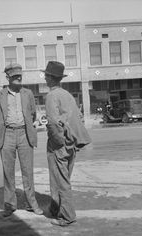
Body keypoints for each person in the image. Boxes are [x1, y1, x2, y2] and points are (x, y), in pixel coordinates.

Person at [42, 61, 91, 226]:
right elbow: (78, 118)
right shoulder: (67, 94)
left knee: (61, 182)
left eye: (46, 75)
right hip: (72, 144)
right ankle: (56, 209)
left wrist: (58, 142)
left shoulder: (51, 96)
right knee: (62, 179)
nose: (45, 77)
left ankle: (67, 216)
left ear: (50, 78)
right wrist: (70, 141)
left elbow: (52, 123)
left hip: (60, 145)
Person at [0, 63, 43, 217]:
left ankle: (31, 204)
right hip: (7, 135)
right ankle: (10, 205)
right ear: (8, 78)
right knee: (8, 172)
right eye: (15, 76)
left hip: (24, 135)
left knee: (28, 171)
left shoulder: (28, 93)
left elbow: (33, 114)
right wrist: (3, 127)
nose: (19, 78)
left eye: (20, 75)